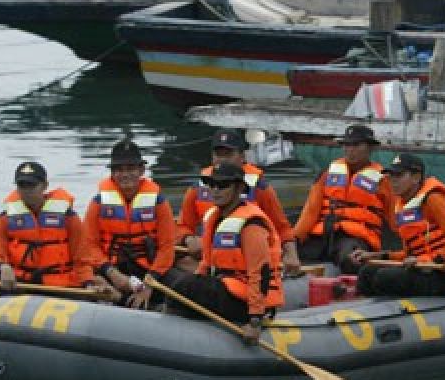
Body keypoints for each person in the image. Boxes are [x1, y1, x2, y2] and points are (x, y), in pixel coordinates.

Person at [168, 162, 284, 345]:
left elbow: (259, 273)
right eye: (212, 184)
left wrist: (255, 321)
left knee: (185, 287)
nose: (215, 190)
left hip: (250, 302)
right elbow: (206, 264)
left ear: (238, 188)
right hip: (228, 289)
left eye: (223, 185)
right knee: (182, 288)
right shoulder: (216, 219)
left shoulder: (251, 224)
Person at [175, 128, 302, 277]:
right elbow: (183, 226)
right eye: (218, 155)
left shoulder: (260, 188)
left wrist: (291, 254)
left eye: (228, 154)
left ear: (242, 156)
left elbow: (282, 228)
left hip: (247, 260)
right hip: (210, 258)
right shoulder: (197, 189)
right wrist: (189, 239)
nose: (222, 160)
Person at [351, 152, 445, 297]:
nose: (393, 181)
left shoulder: (433, 199)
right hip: (426, 265)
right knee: (366, 272)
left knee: (386, 277)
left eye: (398, 176)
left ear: (416, 177)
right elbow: (410, 254)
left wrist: (428, 261)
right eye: (391, 176)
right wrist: (376, 256)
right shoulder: (403, 205)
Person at [0, 161, 112, 299]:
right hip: (23, 284)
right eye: (22, 186)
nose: (27, 191)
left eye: (32, 185)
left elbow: (82, 259)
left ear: (44, 186)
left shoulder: (68, 217)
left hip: (60, 285)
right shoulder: (4, 219)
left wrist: (88, 283)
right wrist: (2, 266)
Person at [83, 138, 178, 309]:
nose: (125, 174)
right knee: (91, 281)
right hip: (110, 268)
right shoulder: (98, 203)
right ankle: (118, 298)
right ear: (112, 173)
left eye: (131, 168)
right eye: (119, 169)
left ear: (141, 170)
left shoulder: (159, 203)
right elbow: (89, 246)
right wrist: (112, 273)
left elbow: (167, 247)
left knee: (181, 285)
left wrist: (149, 283)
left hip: (148, 270)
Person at [291, 123, 395, 275]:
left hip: (356, 238)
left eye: (356, 145)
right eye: (346, 145)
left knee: (351, 260)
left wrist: (409, 249)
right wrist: (293, 240)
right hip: (322, 233)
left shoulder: (383, 180)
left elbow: (395, 218)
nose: (349, 149)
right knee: (284, 251)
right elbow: (310, 211)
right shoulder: (328, 173)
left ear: (370, 148)